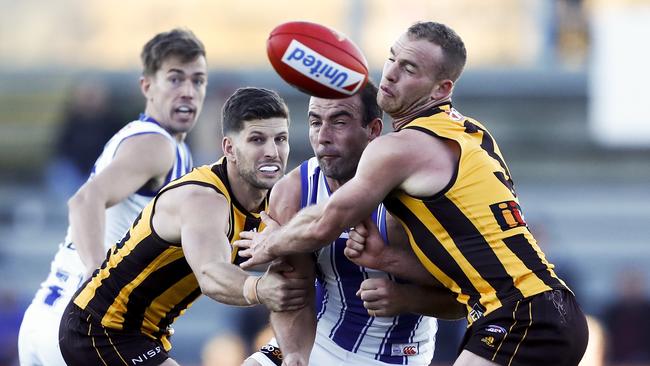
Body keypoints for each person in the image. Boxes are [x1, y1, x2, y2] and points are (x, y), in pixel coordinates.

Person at [238, 22, 589, 366]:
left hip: (520, 316)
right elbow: (464, 264)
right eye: (391, 59)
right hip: (539, 310)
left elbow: (326, 221)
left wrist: (266, 243)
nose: (390, 74)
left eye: (409, 69)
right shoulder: (470, 132)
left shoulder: (401, 148)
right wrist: (387, 261)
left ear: (441, 89)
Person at [58, 87, 310, 366]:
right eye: (257, 140)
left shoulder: (277, 199)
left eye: (281, 139)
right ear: (229, 148)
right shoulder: (203, 199)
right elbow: (211, 273)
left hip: (148, 335)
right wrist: (260, 288)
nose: (272, 152)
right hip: (100, 329)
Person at [18, 28, 207, 366]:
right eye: (175, 79)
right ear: (147, 86)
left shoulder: (156, 142)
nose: (189, 92)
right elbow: (84, 200)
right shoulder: (157, 145)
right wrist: (97, 285)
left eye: (198, 80)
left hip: (43, 317)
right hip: (79, 325)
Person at [245, 82, 464, 366]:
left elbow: (462, 299)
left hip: (394, 356)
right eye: (315, 122)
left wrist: (407, 296)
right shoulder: (294, 192)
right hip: (318, 339)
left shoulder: (411, 197)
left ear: (373, 130)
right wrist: (295, 355)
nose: (323, 137)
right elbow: (293, 295)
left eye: (339, 122)